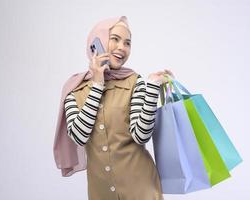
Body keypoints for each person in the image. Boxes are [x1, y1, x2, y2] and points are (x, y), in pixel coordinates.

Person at [53, 16, 174, 200]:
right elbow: (79, 135)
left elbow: (141, 136)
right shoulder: (74, 90)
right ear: (96, 43)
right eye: (115, 39)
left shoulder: (135, 82)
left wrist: (152, 88)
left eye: (127, 43)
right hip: (100, 192)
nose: (122, 48)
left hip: (141, 189)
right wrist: (97, 85)